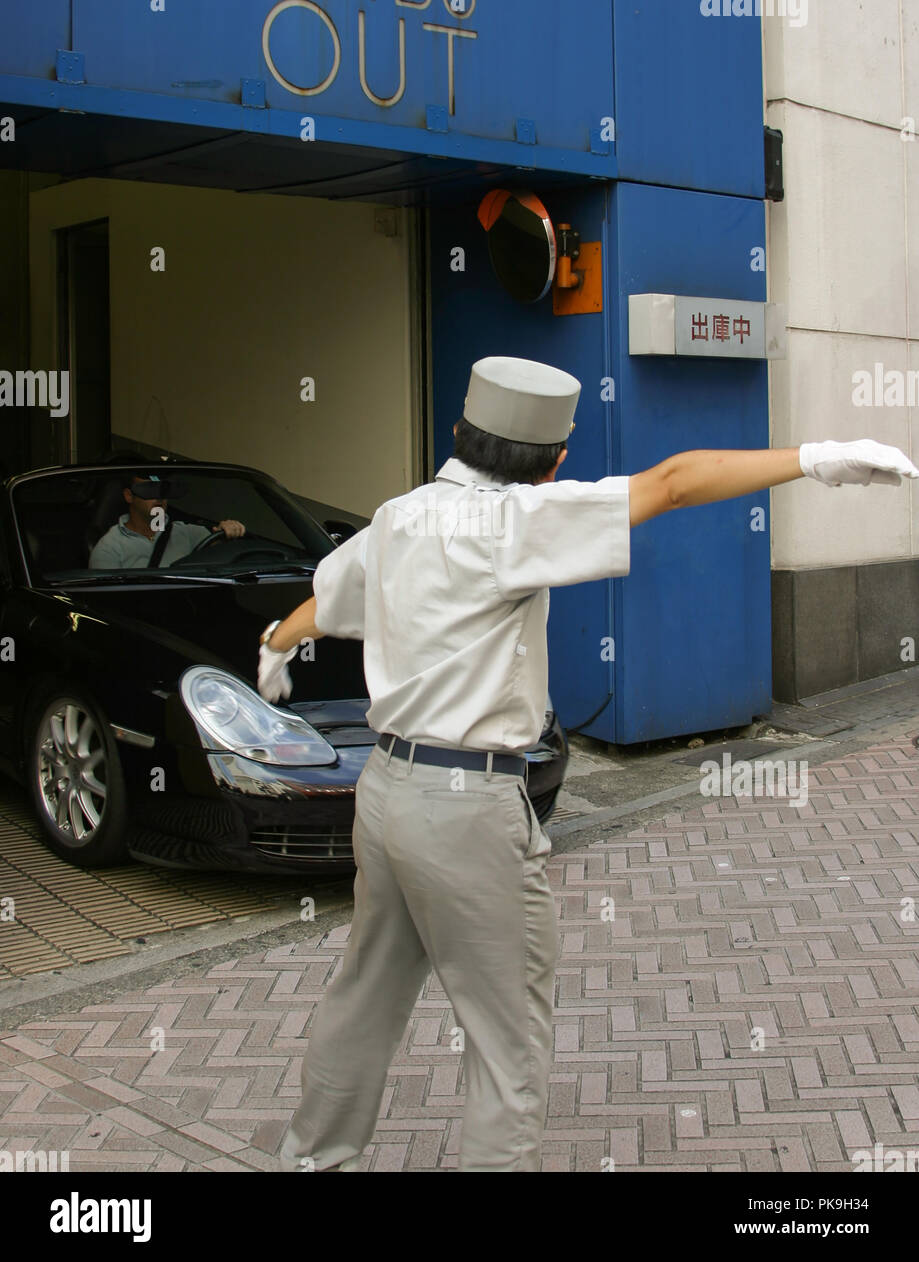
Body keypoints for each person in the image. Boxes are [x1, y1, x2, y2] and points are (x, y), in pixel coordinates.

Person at [257, 355, 918, 1173]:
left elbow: (329, 600)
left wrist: (277, 642)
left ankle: (310, 1159)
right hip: (468, 810)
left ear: (459, 434)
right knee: (507, 1039)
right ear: (553, 460)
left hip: (386, 791)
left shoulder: (399, 517)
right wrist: (812, 458)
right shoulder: (514, 523)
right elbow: (674, 481)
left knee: (363, 996)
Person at [89, 471, 246, 570]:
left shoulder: (187, 533)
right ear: (129, 496)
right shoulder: (109, 549)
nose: (158, 497)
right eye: (149, 490)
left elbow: (218, 549)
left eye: (162, 490)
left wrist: (227, 531)